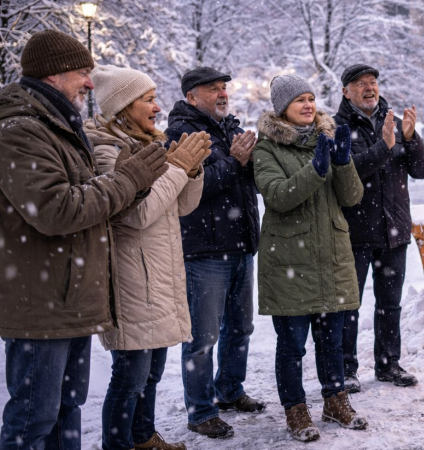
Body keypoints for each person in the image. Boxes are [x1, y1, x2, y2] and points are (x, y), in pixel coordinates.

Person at [0, 30, 168, 450]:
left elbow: (92, 204)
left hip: (69, 297)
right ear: (53, 75)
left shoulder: (58, 126)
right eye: (81, 73)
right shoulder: (19, 129)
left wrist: (135, 186)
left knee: (65, 411)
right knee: (34, 419)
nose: (90, 83)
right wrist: (128, 180)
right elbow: (57, 209)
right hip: (41, 302)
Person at [85, 65, 212, 450]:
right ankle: (118, 445)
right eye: (148, 100)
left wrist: (191, 172)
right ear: (123, 106)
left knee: (151, 374)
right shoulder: (107, 149)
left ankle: (143, 438)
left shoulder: (148, 144)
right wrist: (176, 168)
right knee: (129, 378)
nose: (158, 107)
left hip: (156, 274)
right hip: (131, 280)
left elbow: (182, 206)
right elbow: (138, 214)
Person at [253, 74, 367, 442]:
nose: (308, 105)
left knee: (332, 342)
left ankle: (335, 400)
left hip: (330, 256)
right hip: (290, 261)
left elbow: (352, 198)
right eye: (299, 99)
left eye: (311, 98)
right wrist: (316, 169)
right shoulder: (267, 148)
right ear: (282, 108)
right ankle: (296, 409)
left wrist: (343, 162)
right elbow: (278, 196)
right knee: (292, 346)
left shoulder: (326, 139)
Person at [165, 67, 263, 438]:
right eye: (213, 89)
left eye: (224, 88)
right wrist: (235, 162)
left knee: (240, 327)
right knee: (202, 338)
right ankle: (201, 411)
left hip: (241, 245)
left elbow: (250, 182)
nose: (222, 94)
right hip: (204, 251)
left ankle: (230, 390)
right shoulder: (181, 134)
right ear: (191, 96)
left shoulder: (231, 128)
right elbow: (195, 189)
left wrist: (254, 161)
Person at [332, 64, 424, 393]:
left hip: (394, 231)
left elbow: (423, 169)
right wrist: (384, 146)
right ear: (346, 91)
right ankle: (346, 369)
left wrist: (411, 138)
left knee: (390, 304)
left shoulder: (395, 123)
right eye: (360, 83)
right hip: (354, 233)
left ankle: (389, 364)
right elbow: (346, 174)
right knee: (349, 305)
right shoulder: (336, 128)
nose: (369, 88)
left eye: (372, 82)